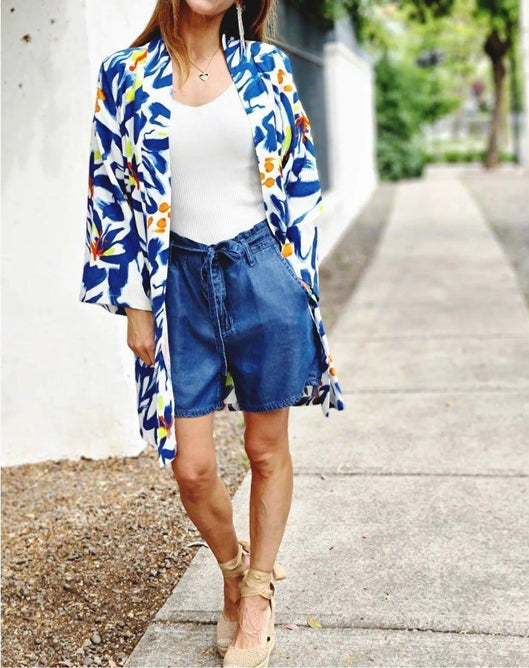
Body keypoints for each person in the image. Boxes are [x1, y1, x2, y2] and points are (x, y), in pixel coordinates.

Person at [79, 0, 345, 665]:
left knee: (264, 448)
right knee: (191, 466)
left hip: (261, 268)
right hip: (175, 281)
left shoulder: (266, 67)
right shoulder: (124, 73)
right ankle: (232, 570)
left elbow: (300, 176)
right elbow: (108, 193)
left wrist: (295, 276)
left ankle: (256, 596)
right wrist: (135, 305)